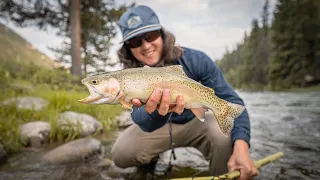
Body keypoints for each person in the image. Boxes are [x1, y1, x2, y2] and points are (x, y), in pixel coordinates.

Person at [111, 5, 259, 180]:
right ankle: (150, 164)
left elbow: (231, 100)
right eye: (135, 41)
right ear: (128, 48)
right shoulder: (130, 75)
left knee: (226, 135)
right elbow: (141, 121)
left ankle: (225, 174)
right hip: (157, 127)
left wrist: (241, 146)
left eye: (150, 36)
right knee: (121, 153)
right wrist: (158, 111)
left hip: (196, 121)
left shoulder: (195, 60)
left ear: (162, 34)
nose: (146, 46)